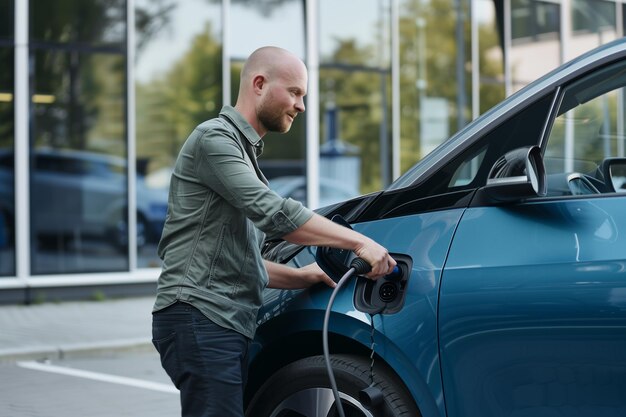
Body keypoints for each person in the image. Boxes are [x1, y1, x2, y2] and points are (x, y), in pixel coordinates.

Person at [151, 46, 396, 417]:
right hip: (200, 316)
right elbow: (276, 214)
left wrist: (301, 277)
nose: (300, 106)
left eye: (304, 96)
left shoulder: (242, 155)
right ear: (260, 84)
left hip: (218, 321)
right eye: (295, 92)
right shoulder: (214, 140)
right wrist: (360, 242)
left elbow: (240, 261)